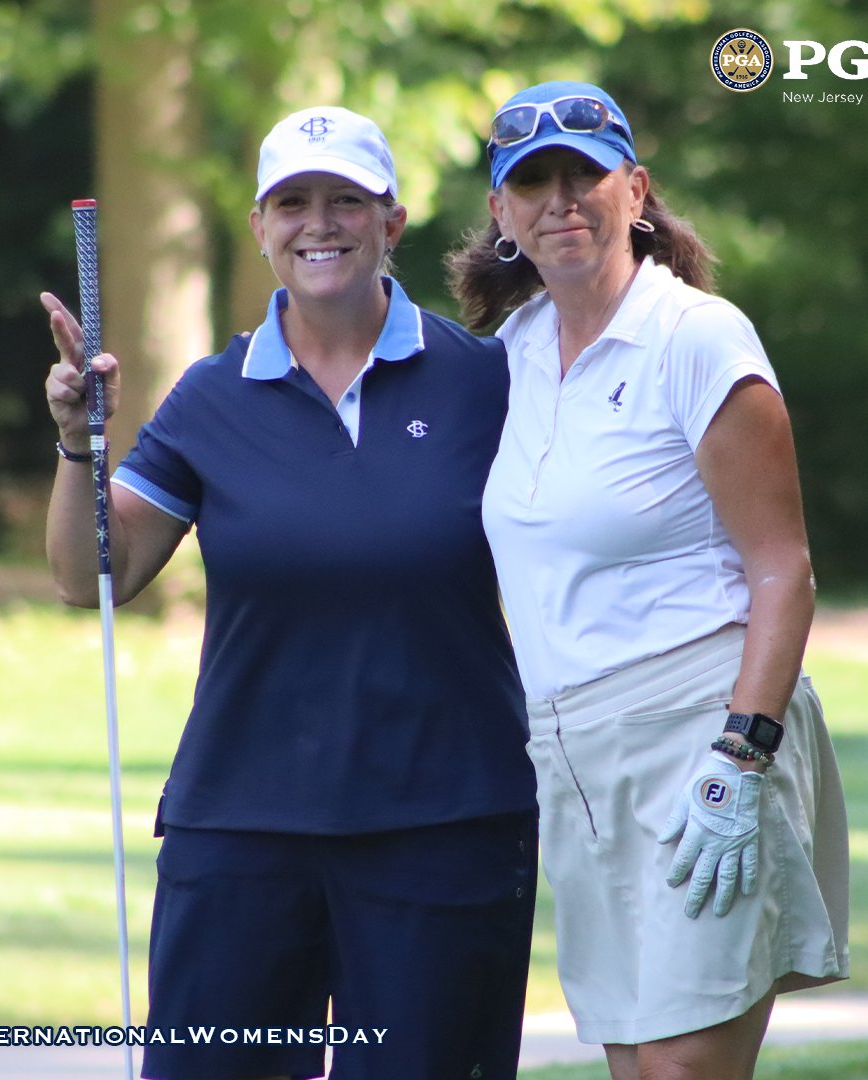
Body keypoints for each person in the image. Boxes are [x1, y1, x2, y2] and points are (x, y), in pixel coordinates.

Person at [43, 105, 538, 1080]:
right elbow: (91, 572)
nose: (321, 223)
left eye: (346, 201)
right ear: (264, 230)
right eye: (294, 203)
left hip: (442, 821)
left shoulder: (487, 380)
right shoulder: (213, 395)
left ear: (391, 222)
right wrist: (73, 442)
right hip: (241, 823)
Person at [447, 80, 849, 1080]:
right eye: (530, 182)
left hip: (701, 738)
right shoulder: (515, 353)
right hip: (573, 755)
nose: (559, 200)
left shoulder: (696, 338)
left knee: (681, 1073)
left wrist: (741, 754)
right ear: (501, 213)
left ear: (634, 189)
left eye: (583, 175)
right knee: (636, 1066)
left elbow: (783, 569)